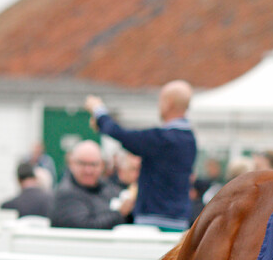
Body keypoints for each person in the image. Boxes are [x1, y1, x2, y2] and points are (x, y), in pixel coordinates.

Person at [85, 80, 198, 232]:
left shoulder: (163, 139)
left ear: (168, 103)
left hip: (154, 222)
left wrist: (98, 111)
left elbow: (122, 135)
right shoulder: (189, 139)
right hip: (179, 220)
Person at [50, 140, 133, 229]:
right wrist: (120, 213)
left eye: (94, 164)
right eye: (82, 163)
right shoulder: (65, 193)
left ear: (102, 165)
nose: (88, 170)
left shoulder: (107, 187)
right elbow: (86, 226)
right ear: (71, 163)